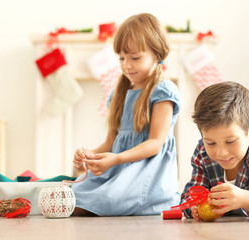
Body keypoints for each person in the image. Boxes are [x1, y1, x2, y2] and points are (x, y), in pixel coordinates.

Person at [71, 13, 181, 216]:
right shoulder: (119, 94)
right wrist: (89, 156)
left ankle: (151, 202)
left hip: (148, 174)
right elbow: (110, 143)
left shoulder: (163, 91)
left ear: (157, 55)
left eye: (135, 57)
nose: (126, 65)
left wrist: (116, 159)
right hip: (119, 169)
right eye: (122, 58)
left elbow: (155, 143)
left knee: (104, 200)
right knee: (72, 194)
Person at [180, 81, 249, 220]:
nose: (221, 152)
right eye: (211, 143)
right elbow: (189, 195)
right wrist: (194, 206)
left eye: (230, 141)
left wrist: (243, 199)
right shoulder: (202, 153)